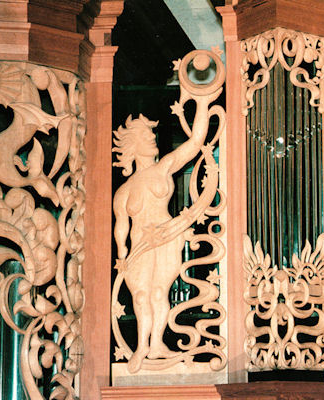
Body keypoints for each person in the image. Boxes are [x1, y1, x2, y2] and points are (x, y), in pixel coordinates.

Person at [112, 112, 210, 373]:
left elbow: (195, 142)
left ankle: (156, 343)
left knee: (158, 293)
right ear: (133, 144)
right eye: (145, 135)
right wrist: (121, 252)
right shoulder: (124, 190)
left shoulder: (164, 167)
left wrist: (201, 104)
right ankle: (141, 347)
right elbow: (121, 225)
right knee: (142, 296)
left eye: (151, 133)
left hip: (167, 237)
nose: (151, 137)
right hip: (139, 247)